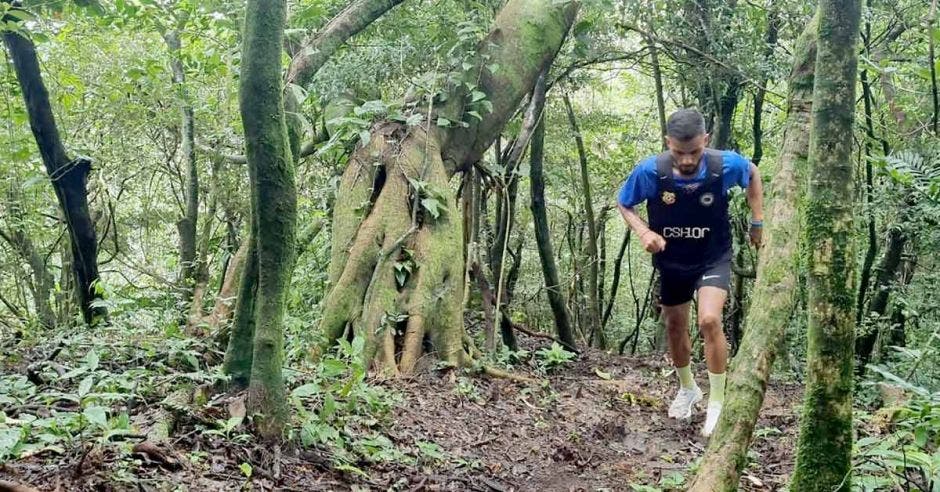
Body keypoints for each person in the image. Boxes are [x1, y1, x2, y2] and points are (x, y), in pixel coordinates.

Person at [616, 108, 763, 437]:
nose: (686, 160)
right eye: (678, 152)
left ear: (706, 141)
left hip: (713, 256)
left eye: (694, 151)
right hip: (672, 260)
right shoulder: (650, 172)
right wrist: (643, 232)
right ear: (667, 142)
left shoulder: (724, 165)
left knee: (709, 320)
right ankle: (688, 389)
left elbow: (752, 173)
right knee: (674, 326)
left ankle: (717, 404)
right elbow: (624, 203)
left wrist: (757, 221)